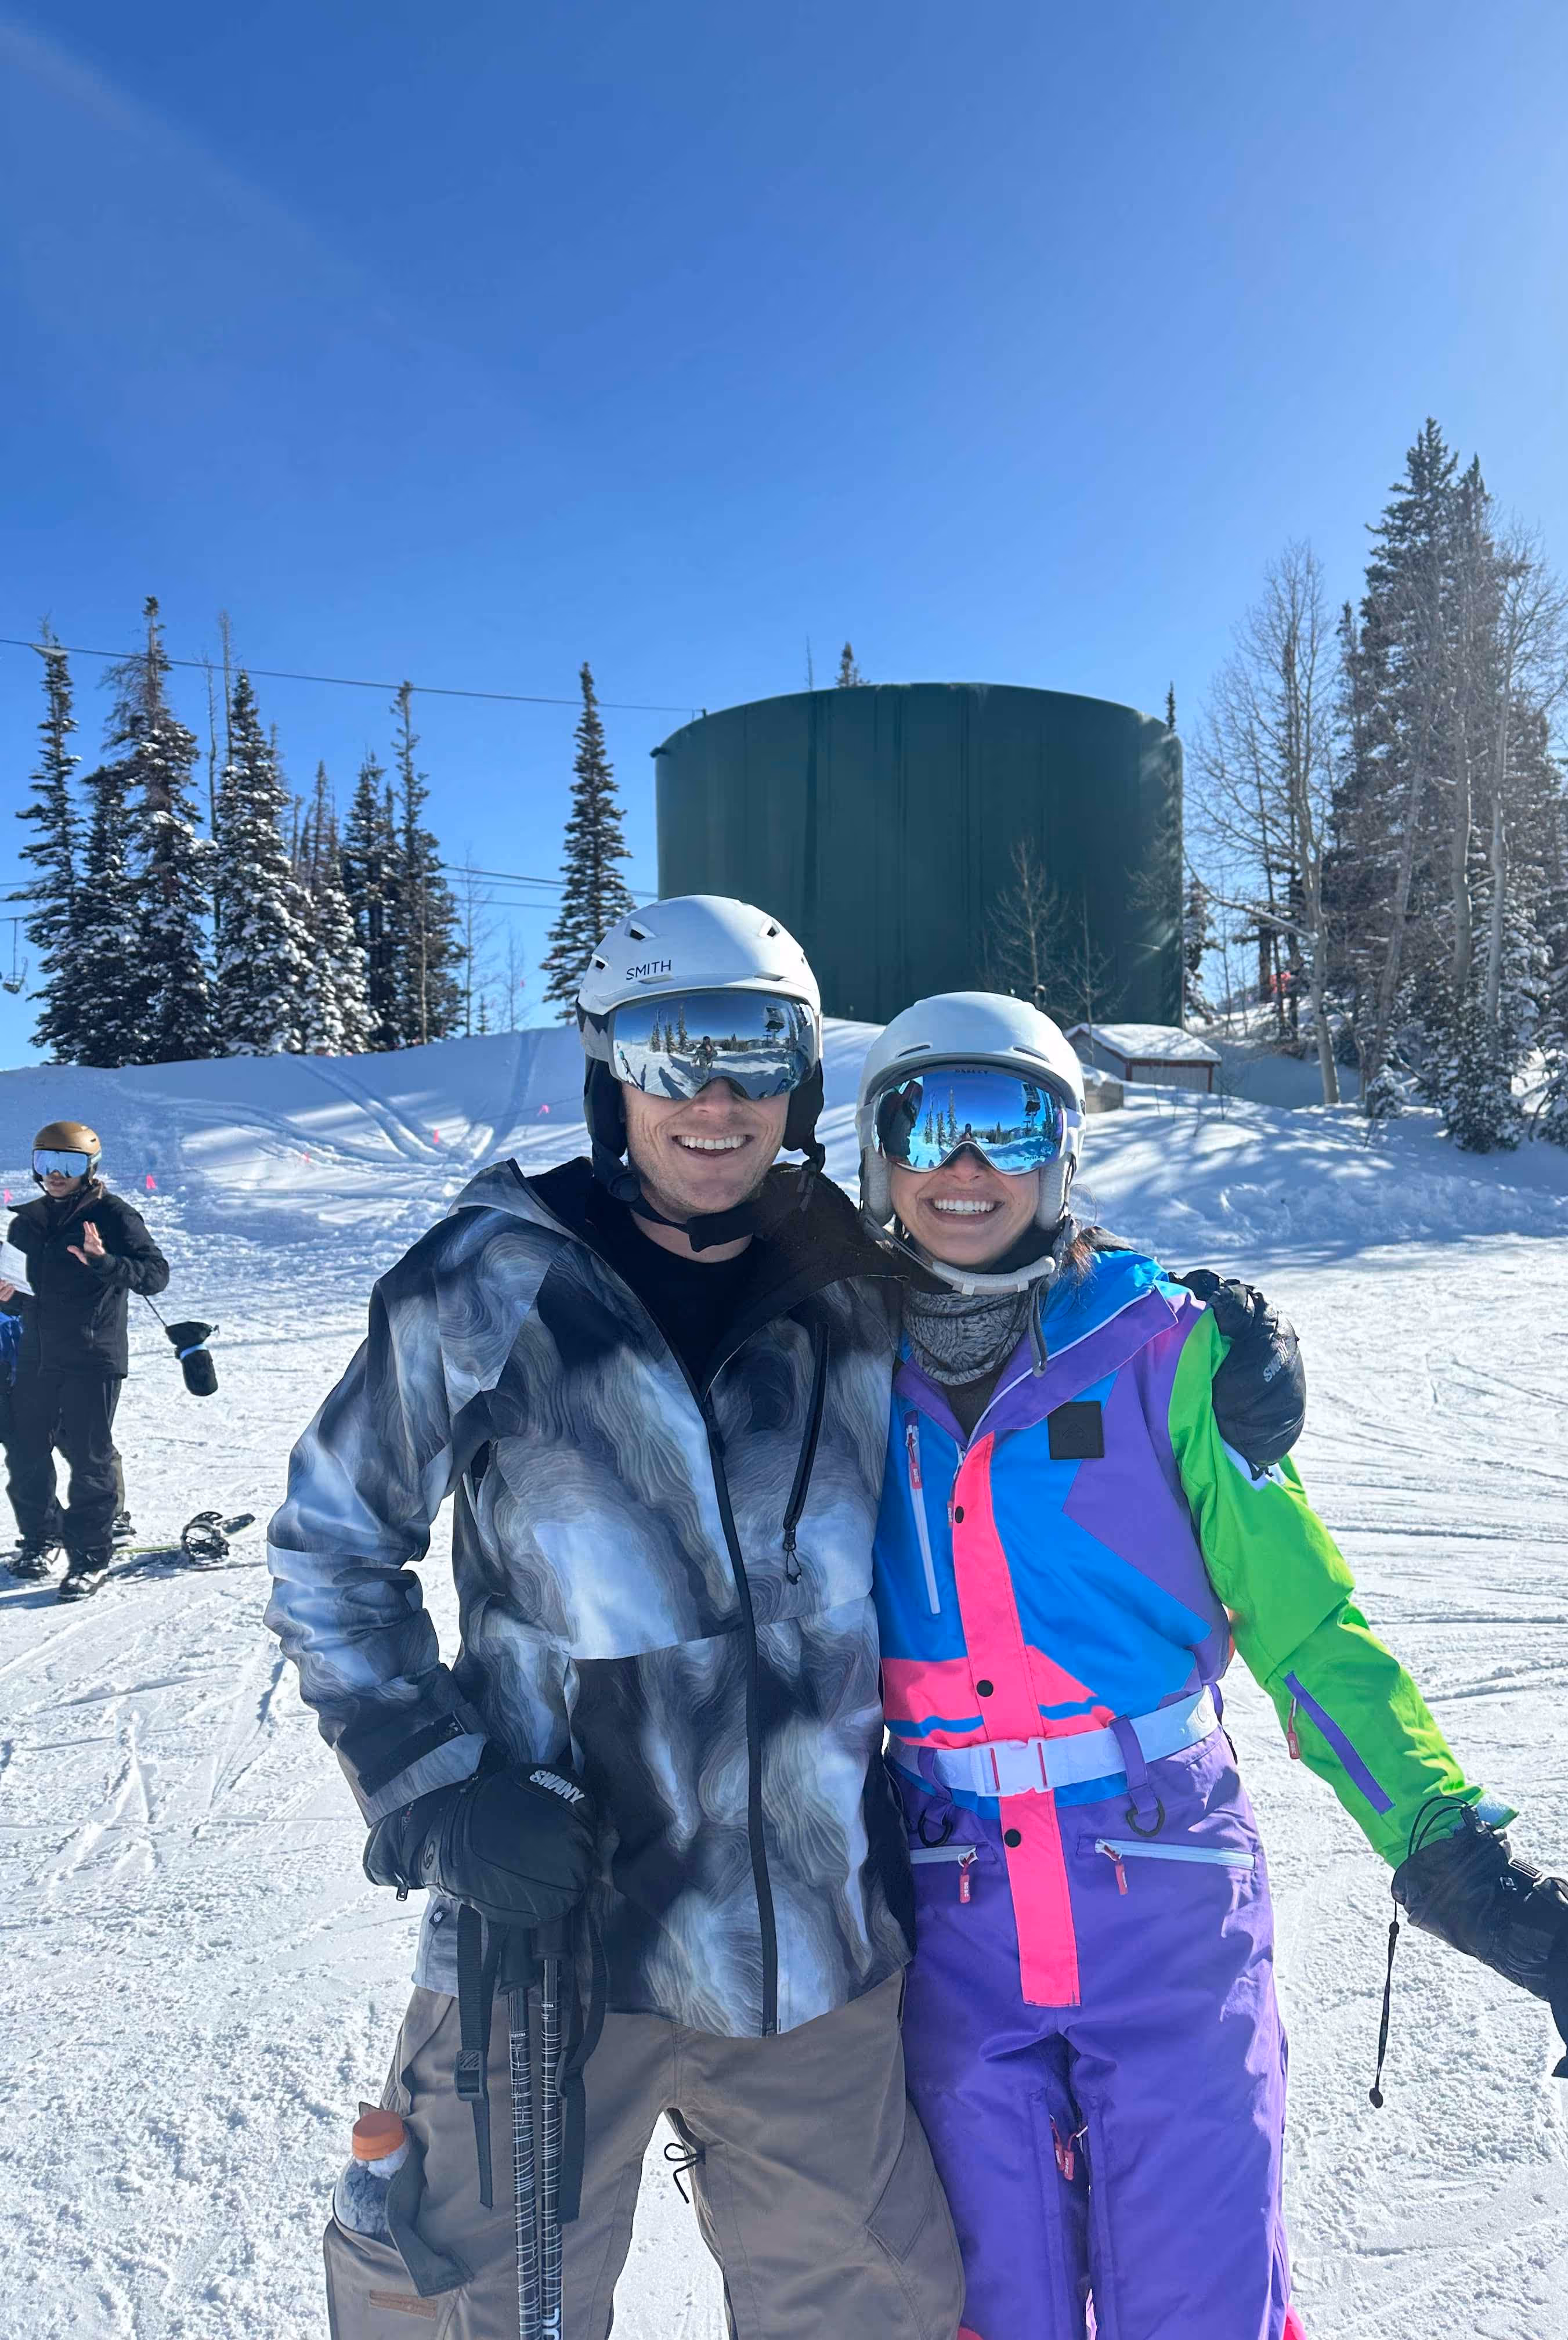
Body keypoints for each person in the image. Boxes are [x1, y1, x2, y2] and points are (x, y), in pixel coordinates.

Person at [265, 896, 1307, 2340]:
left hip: (810, 1953)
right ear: (604, 1067)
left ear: (804, 1083)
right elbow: (330, 1546)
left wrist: (1214, 1320)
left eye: (754, 1052)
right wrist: (434, 1784)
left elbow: (1012, 1265)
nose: (712, 1097)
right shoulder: (487, 1283)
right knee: (465, 2310)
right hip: (550, 1931)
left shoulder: (846, 1284)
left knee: (880, 2310)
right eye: (665, 1048)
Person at [856, 991, 1568, 2340]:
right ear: (878, 1154)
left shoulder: (1166, 1351)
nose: (970, 1168)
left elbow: (1306, 1633)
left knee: (1200, 2299)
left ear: (1062, 1152)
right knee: (984, 2305)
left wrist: (1457, 1859)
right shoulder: (834, 1365)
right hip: (951, 1914)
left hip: (1163, 1894)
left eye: (1012, 1125)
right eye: (931, 1124)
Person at [2, 1120, 167, 1599]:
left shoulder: (114, 1216)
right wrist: (9, 1297)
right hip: (36, 1351)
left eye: (68, 1164)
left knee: (89, 1457)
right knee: (28, 1450)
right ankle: (41, 1539)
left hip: (93, 1353)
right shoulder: (26, 1222)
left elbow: (156, 1275)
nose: (55, 1174)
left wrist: (104, 1262)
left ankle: (91, 1558)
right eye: (45, 1163)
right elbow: (34, 1298)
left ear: (89, 1167)